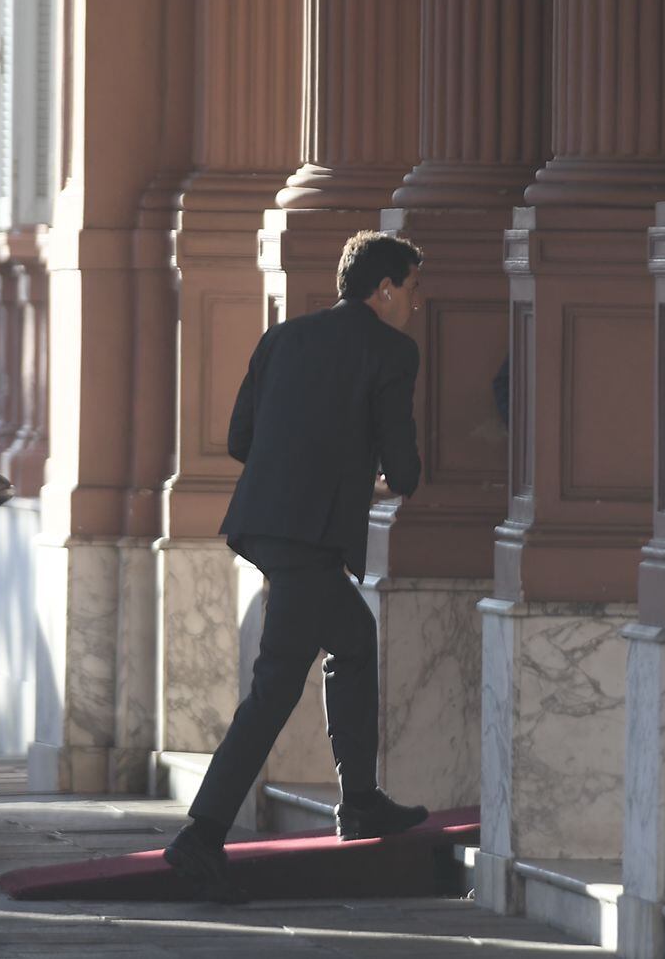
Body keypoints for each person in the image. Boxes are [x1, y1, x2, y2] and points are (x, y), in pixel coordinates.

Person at [164, 231, 429, 902]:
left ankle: (360, 800)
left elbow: (239, 440)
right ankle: (201, 834)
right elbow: (404, 472)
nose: (416, 307)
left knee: (353, 640)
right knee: (276, 686)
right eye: (413, 290)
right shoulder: (393, 351)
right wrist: (361, 475)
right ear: (386, 289)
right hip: (310, 539)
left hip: (268, 525)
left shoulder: (283, 338)